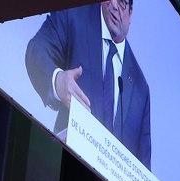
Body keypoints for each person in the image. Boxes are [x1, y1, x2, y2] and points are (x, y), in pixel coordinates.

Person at [25, 0, 152, 170]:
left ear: (131, 13)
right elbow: (38, 49)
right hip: (59, 166)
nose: (114, 5)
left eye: (122, 2)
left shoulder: (140, 89)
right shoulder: (73, 14)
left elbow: (142, 167)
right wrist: (57, 79)